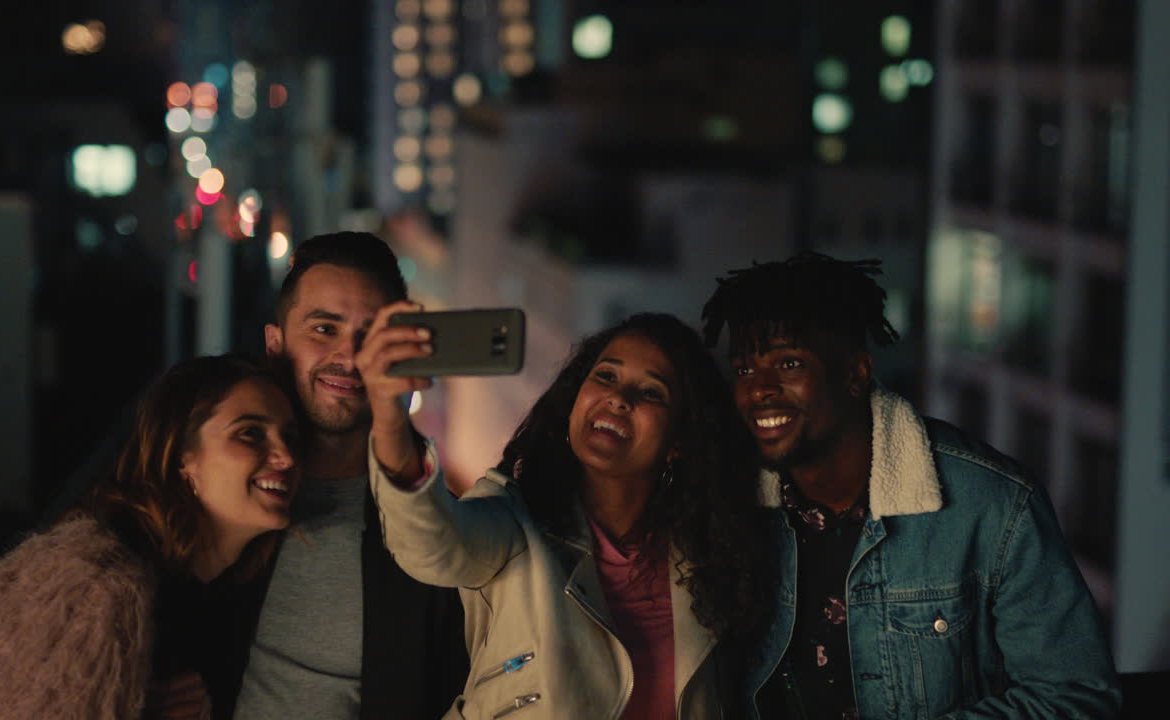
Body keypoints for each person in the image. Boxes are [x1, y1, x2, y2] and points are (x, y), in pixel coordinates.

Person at [700, 252, 1121, 719]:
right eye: (743, 369)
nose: (758, 388)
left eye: (789, 363)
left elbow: (1076, 697)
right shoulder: (732, 506)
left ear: (855, 374)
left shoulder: (993, 505)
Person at [357, 310, 771, 719]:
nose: (618, 398)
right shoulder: (515, 523)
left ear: (679, 441)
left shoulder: (711, 555)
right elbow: (431, 545)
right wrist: (390, 420)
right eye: (605, 376)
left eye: (650, 393)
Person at [0, 354, 301, 720]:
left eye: (291, 437)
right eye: (251, 434)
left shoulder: (220, 590)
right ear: (182, 456)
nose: (285, 457)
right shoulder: (93, 587)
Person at [233, 232, 468, 720]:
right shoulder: (226, 488)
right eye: (324, 329)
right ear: (275, 344)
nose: (349, 356)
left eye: (373, 338)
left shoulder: (430, 528)